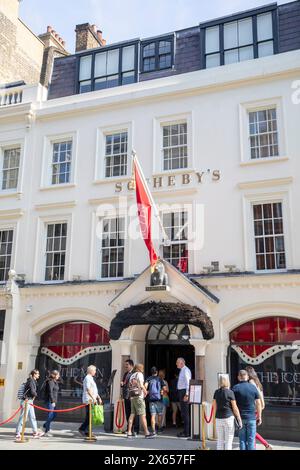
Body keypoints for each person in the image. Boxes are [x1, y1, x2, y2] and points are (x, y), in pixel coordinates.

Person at [232, 370, 262, 451]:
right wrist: (259, 416)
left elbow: (233, 404)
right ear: (247, 377)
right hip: (251, 418)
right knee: (251, 440)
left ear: (239, 377)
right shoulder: (253, 387)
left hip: (240, 418)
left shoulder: (235, 388)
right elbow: (258, 403)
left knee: (242, 440)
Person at [212, 374, 242, 450]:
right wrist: (239, 419)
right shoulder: (230, 392)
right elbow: (235, 408)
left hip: (218, 418)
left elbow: (214, 406)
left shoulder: (216, 392)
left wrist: (213, 418)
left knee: (220, 441)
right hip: (228, 418)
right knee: (228, 442)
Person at [246, 366, 272, 450]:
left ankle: (265, 445)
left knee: (251, 430)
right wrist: (262, 404)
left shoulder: (251, 382)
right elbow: (261, 393)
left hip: (254, 407)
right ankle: (265, 445)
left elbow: (258, 394)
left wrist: (260, 404)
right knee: (252, 430)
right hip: (257, 407)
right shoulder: (257, 382)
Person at [127, 364, 154, 439]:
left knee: (132, 414)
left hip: (132, 396)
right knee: (143, 415)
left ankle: (129, 432)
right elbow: (141, 385)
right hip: (139, 397)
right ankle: (146, 433)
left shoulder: (132, 375)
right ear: (140, 368)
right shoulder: (139, 374)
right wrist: (145, 392)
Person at [15, 369, 45, 440]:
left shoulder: (33, 381)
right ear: (34, 374)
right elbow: (32, 391)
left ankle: (35, 432)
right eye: (37, 374)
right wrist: (36, 395)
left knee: (32, 417)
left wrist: (34, 396)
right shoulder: (31, 381)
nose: (39, 375)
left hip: (30, 401)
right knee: (23, 417)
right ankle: (18, 432)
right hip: (26, 401)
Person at [78, 365, 102, 437]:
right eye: (94, 370)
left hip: (92, 399)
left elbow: (94, 390)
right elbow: (88, 389)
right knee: (89, 416)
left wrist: (98, 397)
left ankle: (87, 431)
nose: (95, 372)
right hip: (89, 400)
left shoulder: (91, 378)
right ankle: (84, 430)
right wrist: (93, 398)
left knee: (90, 416)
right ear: (91, 371)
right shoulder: (87, 378)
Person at [145, 367, 166, 435]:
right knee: (159, 415)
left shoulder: (148, 379)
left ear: (151, 372)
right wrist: (162, 391)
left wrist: (147, 392)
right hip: (159, 399)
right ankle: (159, 429)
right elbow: (165, 388)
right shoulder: (160, 379)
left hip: (151, 400)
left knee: (153, 416)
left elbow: (145, 387)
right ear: (156, 372)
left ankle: (153, 431)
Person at [121, 359, 139, 435]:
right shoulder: (125, 374)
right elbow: (124, 383)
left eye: (127, 365)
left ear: (131, 365)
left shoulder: (135, 374)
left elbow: (136, 384)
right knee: (128, 412)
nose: (125, 366)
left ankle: (135, 429)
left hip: (132, 396)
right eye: (125, 365)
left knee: (134, 413)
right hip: (126, 395)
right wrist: (122, 383)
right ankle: (129, 428)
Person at [176, 357, 192, 438]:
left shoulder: (185, 370)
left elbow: (188, 382)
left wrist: (187, 394)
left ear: (182, 363)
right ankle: (186, 430)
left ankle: (187, 432)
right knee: (183, 413)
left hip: (184, 393)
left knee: (185, 413)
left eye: (177, 362)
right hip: (181, 392)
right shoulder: (183, 370)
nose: (176, 364)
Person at [43, 370, 60, 437]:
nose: (59, 376)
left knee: (54, 414)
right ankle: (47, 431)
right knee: (50, 415)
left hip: (53, 401)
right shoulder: (50, 382)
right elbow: (50, 392)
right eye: (58, 375)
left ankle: (45, 425)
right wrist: (52, 401)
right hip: (50, 401)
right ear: (54, 375)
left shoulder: (55, 382)